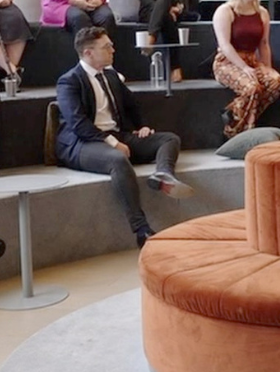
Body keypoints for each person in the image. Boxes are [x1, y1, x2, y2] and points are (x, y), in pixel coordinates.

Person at [55, 26, 194, 247]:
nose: (113, 49)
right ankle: (142, 230)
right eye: (106, 46)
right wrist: (112, 143)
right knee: (117, 159)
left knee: (169, 139)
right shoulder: (69, 81)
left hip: (117, 135)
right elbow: (77, 123)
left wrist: (142, 127)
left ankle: (163, 175)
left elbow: (131, 106)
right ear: (88, 53)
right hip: (83, 143)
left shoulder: (111, 75)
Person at [212, 0, 280, 138]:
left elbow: (264, 44)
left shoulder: (262, 13)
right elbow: (224, 45)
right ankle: (238, 134)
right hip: (227, 61)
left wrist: (268, 69)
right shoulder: (225, 11)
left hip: (251, 59)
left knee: (275, 81)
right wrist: (243, 67)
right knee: (252, 87)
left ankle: (232, 114)